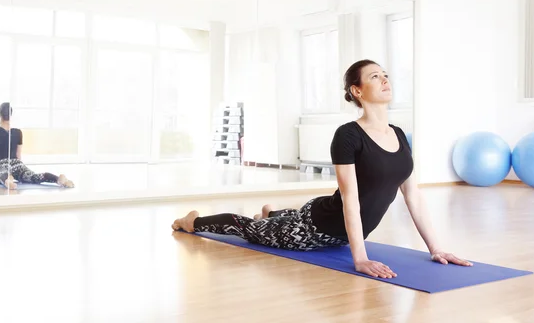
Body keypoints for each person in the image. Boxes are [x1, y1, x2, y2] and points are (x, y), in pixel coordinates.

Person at [172, 60, 472, 279]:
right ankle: (193, 221)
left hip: (341, 231)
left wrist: (436, 248)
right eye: (375, 76)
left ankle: (272, 214)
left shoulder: (398, 133)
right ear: (357, 90)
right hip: (316, 226)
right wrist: (361, 258)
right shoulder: (348, 135)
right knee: (250, 231)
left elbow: (413, 196)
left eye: (385, 75)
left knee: (274, 221)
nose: (384, 80)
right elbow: (349, 198)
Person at [0, 102, 74, 190]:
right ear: (11, 115)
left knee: (0, 174)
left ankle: (8, 179)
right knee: (34, 176)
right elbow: (18, 156)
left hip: (1, 164)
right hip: (17, 164)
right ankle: (58, 179)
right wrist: (21, 170)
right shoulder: (18, 132)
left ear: (0, 114)